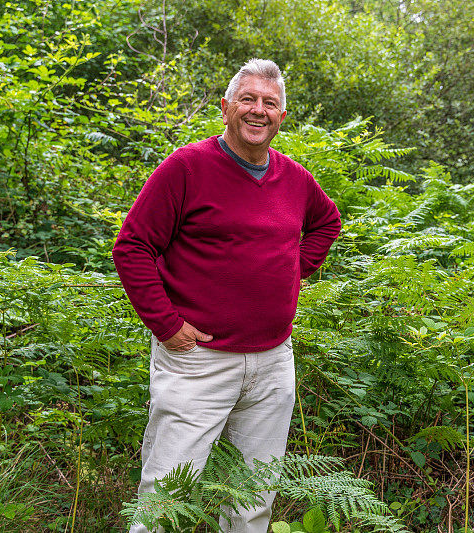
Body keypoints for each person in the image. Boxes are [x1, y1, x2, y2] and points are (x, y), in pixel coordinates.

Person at [112, 58, 341, 533]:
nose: (258, 110)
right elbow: (132, 246)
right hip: (197, 360)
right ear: (225, 108)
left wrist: (291, 273)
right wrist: (167, 325)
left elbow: (327, 222)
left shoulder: (294, 178)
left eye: (269, 103)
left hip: (274, 360)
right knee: (167, 496)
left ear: (282, 115)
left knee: (254, 496)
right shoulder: (187, 168)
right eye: (248, 99)